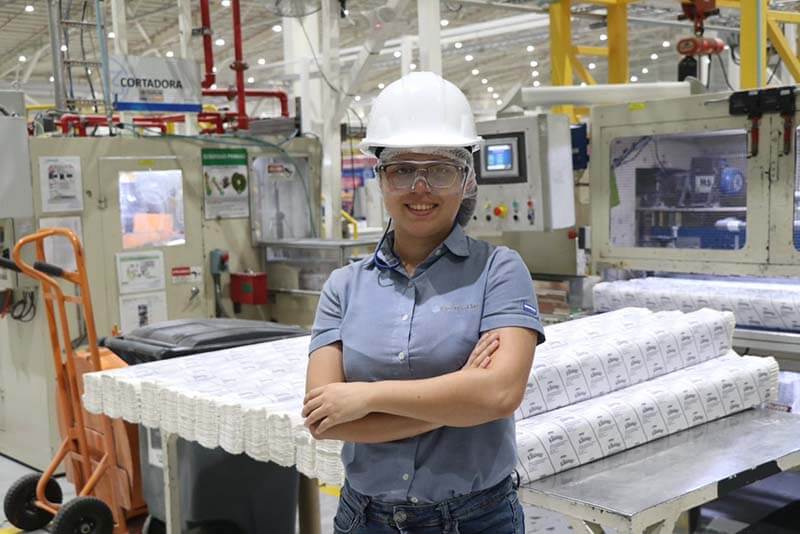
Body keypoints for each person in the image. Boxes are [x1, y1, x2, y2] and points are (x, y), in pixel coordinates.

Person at [302, 71, 545, 534]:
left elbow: (498, 394)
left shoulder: (500, 270)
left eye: (440, 170)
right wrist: (457, 397)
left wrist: (366, 397)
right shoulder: (343, 286)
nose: (420, 187)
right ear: (381, 178)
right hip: (364, 519)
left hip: (475, 520)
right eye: (402, 170)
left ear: (466, 180)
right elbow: (325, 419)